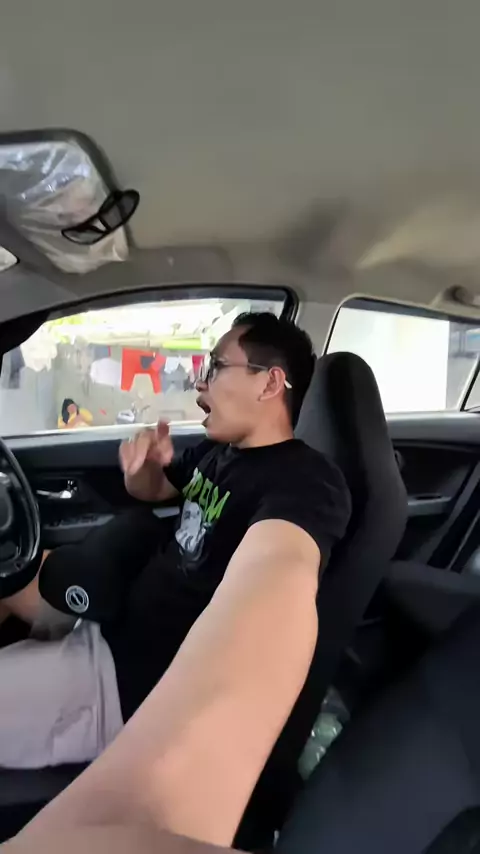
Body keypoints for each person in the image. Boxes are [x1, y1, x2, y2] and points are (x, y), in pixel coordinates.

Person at [0, 313, 351, 776]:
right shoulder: (218, 451)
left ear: (269, 383)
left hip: (128, 682)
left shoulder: (308, 482)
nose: (199, 384)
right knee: (7, 573)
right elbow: (158, 490)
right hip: (112, 616)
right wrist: (144, 468)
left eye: (216, 366)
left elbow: (285, 564)